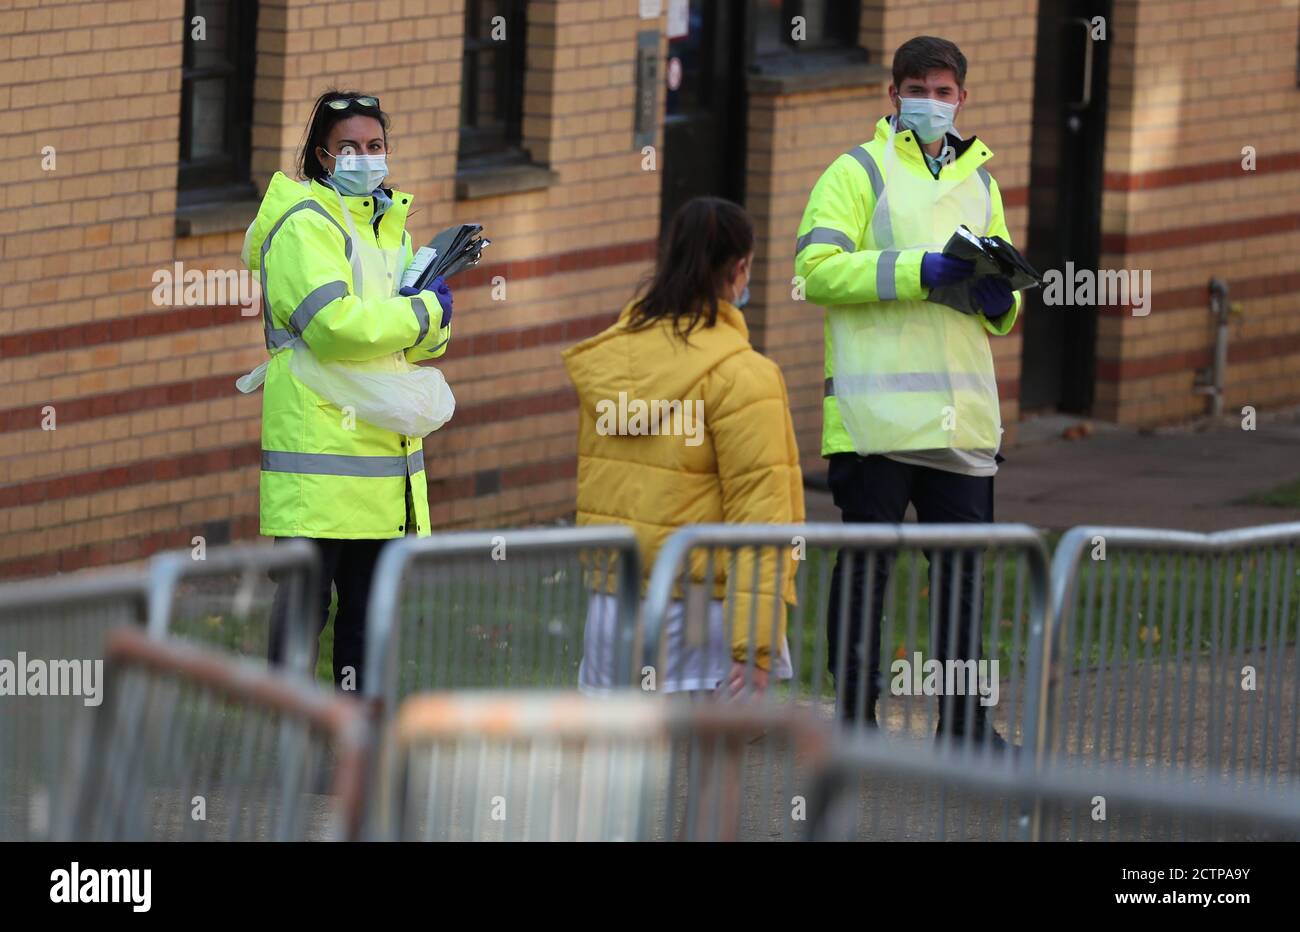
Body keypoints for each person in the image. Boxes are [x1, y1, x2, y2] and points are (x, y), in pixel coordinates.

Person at [794, 37, 1018, 747]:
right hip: (877, 420)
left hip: (962, 423)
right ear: (893, 95)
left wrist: (997, 296)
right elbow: (815, 271)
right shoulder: (855, 171)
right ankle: (855, 731)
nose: (931, 101)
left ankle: (966, 730)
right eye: (918, 88)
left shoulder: (983, 183)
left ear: (963, 100)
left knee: (963, 586)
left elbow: (1004, 311)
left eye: (944, 90)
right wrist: (922, 268)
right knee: (865, 581)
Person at [242, 90, 454, 690]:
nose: (366, 157)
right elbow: (332, 327)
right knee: (303, 619)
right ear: (321, 157)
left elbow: (410, 345)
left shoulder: (391, 227)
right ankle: (287, 746)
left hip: (384, 468)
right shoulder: (303, 225)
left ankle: (351, 750)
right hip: (322, 466)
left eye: (376, 145)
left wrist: (435, 320)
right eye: (350, 148)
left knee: (367, 623)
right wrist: (421, 316)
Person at [563, 196, 805, 700]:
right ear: (740, 269)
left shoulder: (611, 361)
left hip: (613, 603)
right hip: (699, 608)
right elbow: (759, 516)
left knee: (617, 770)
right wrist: (757, 646)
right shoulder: (746, 376)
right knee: (712, 769)